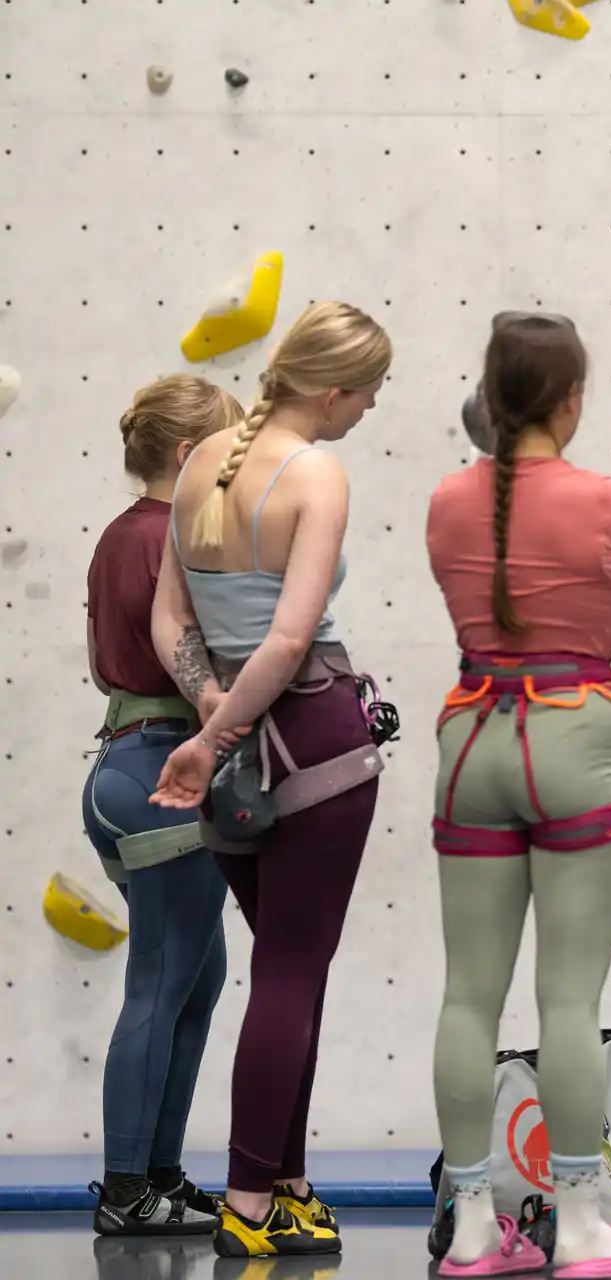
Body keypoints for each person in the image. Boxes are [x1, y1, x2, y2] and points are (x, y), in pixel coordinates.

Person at [424, 313, 611, 1279]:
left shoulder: (447, 502)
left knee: (468, 996)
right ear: (572, 401)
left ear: (490, 398)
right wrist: (595, 618)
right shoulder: (608, 502)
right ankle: (579, 1226)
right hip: (576, 731)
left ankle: (472, 1229)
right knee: (568, 999)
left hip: (472, 736)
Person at [149, 301, 393, 1258]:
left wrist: (210, 714)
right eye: (369, 392)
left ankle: (285, 1183)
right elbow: (291, 640)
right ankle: (250, 1201)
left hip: (232, 745)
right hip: (310, 739)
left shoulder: (198, 465)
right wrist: (217, 738)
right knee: (292, 974)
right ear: (331, 392)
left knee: (290, 968)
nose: (370, 408)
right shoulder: (316, 473)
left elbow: (173, 620)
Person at [83, 374, 243, 1237]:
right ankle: (125, 1191)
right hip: (163, 774)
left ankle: (158, 1177)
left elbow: (106, 658)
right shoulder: (172, 538)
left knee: (193, 978)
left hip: (120, 762)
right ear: (187, 454)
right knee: (160, 983)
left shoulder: (120, 534)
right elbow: (206, 663)